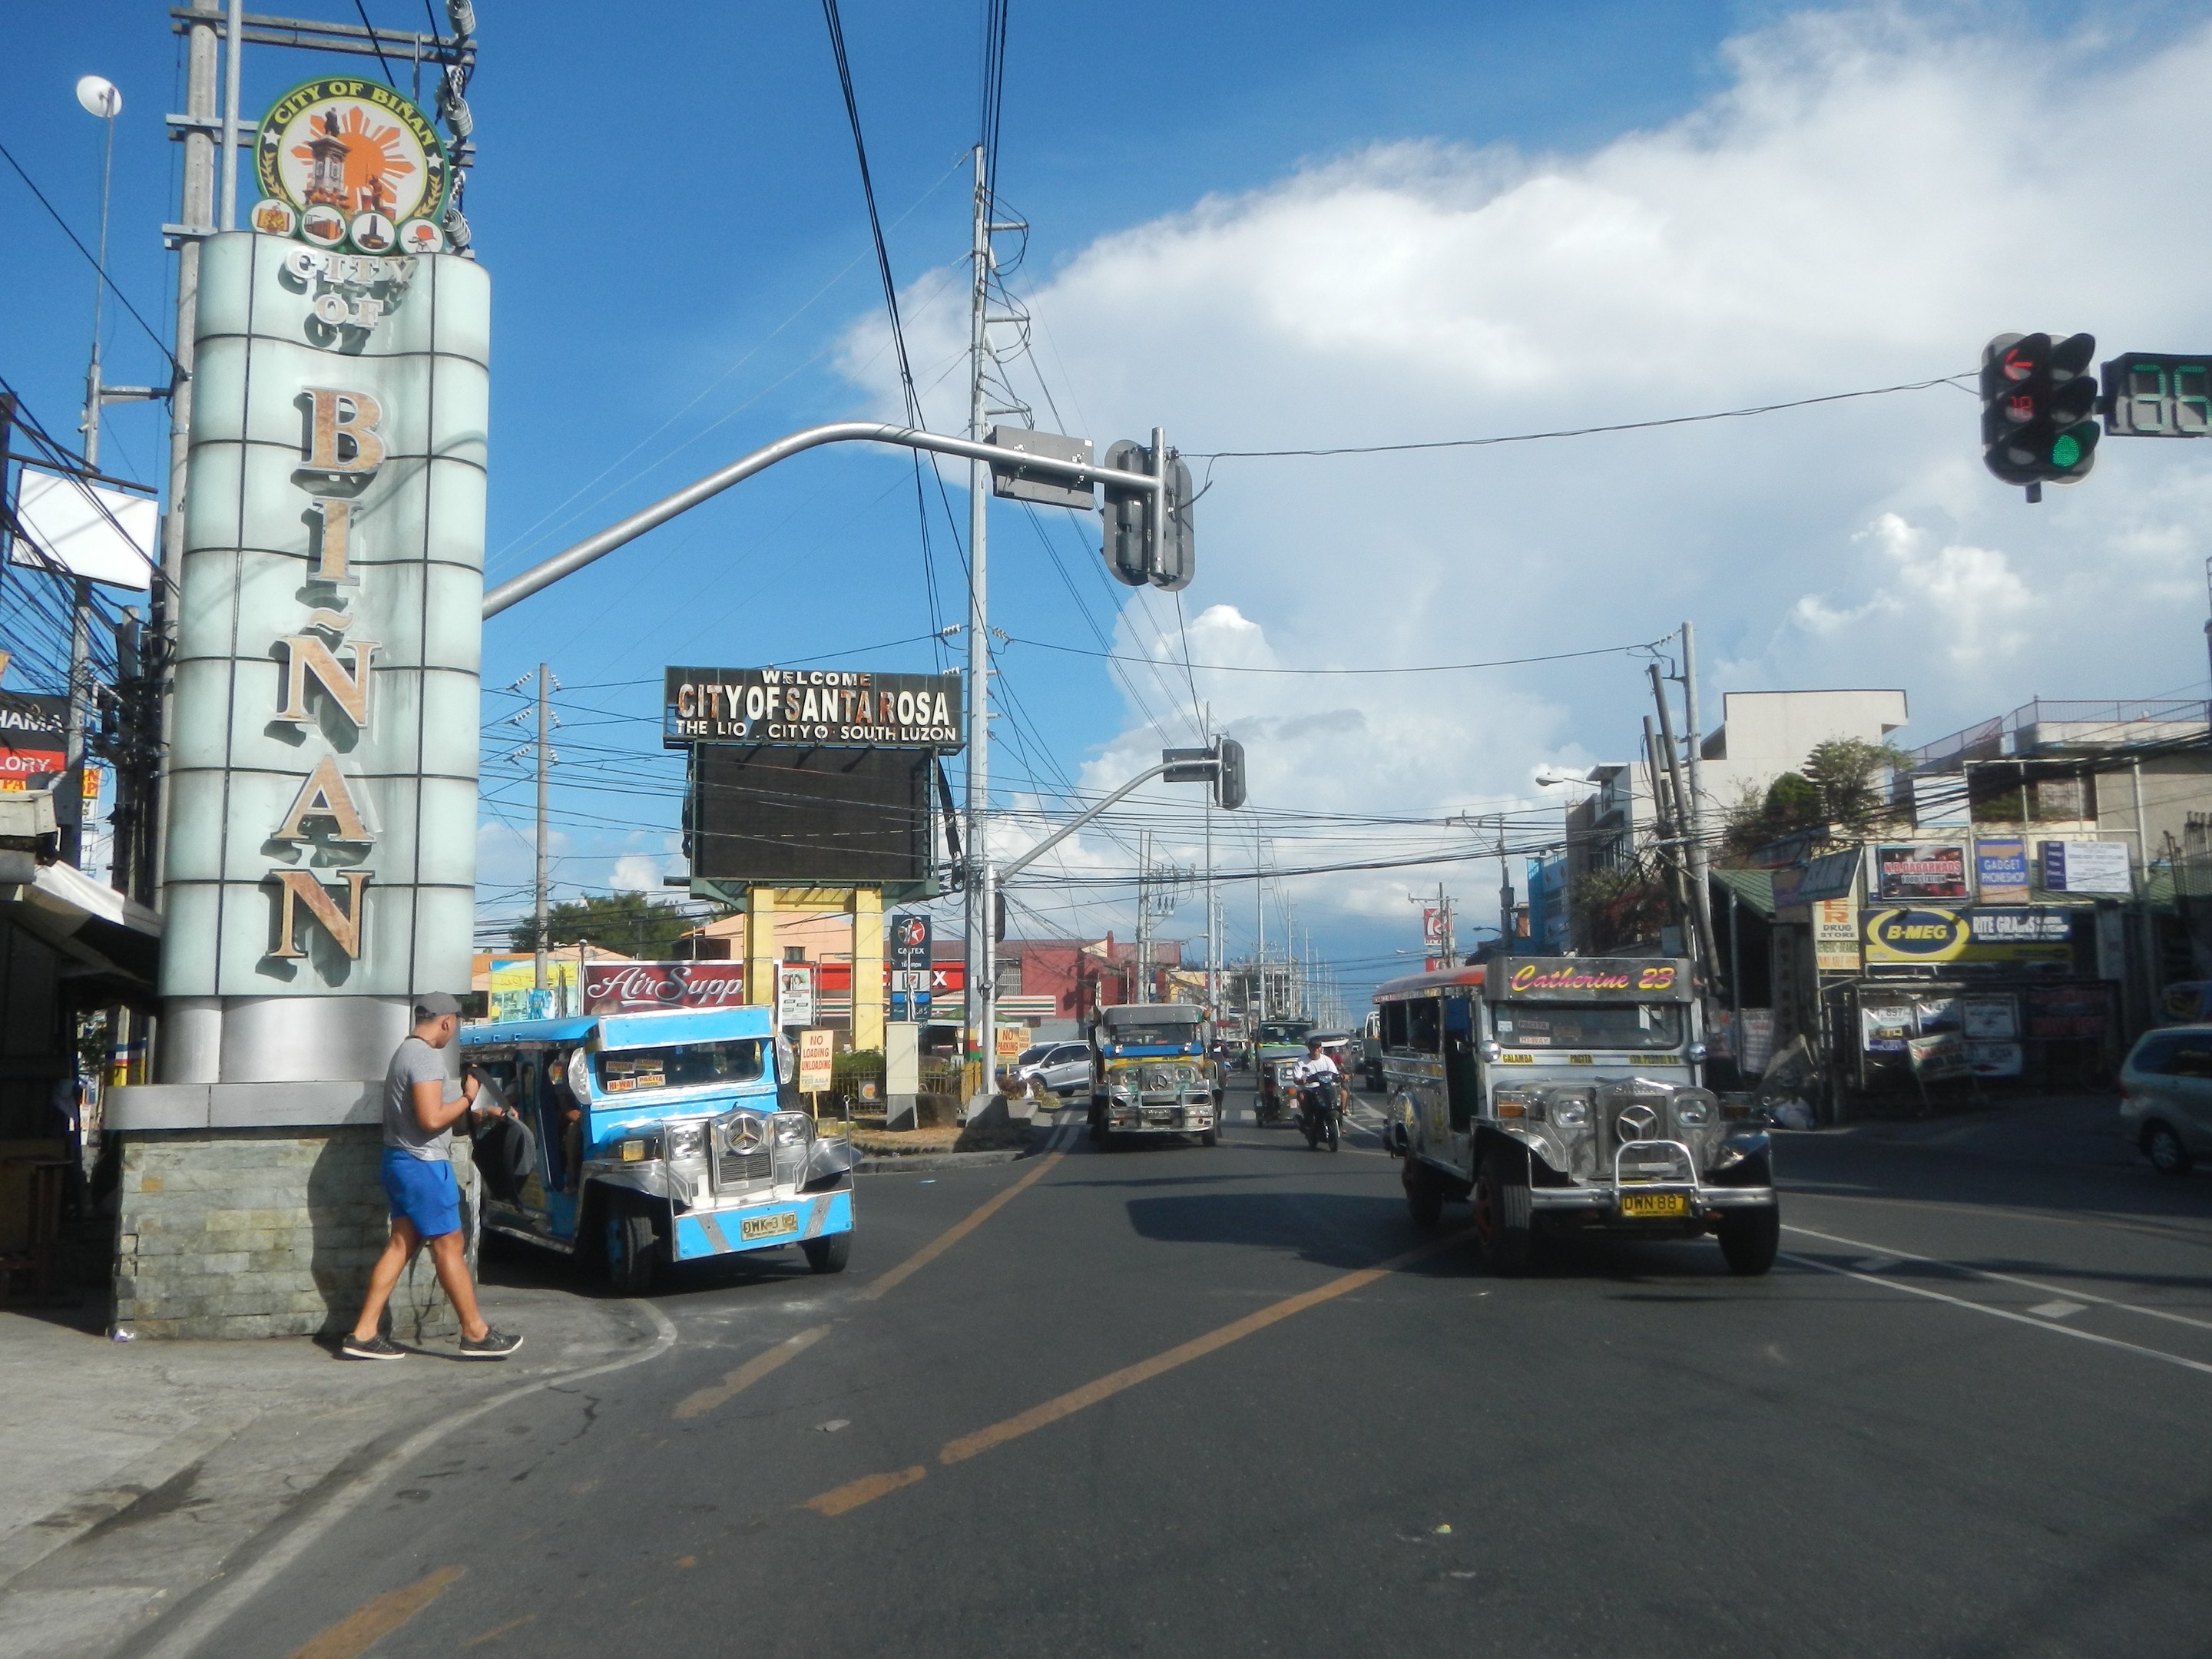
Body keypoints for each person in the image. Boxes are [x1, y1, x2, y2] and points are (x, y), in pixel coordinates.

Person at [342, 993, 524, 1360]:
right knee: (449, 1245)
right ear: (446, 1021)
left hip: (401, 1161)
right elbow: (430, 1119)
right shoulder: (423, 1057)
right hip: (423, 1165)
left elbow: (427, 1116)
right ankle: (475, 1332)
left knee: (400, 1245)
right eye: (455, 1024)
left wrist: (482, 1113)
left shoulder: (405, 1052)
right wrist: (469, 1097)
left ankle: (363, 1333)